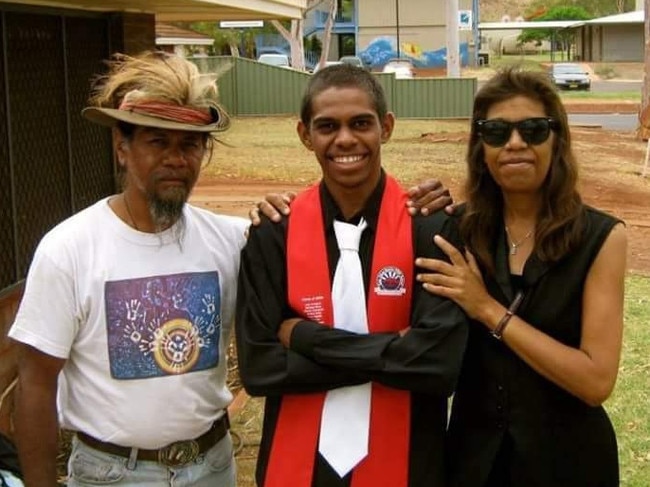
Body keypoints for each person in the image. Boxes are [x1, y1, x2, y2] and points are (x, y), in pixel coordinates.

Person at [9, 51, 248, 487]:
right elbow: (36, 385)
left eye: (190, 144)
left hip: (213, 466)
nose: (176, 158)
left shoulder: (231, 240)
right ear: (122, 147)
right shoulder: (70, 249)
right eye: (158, 141)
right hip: (113, 474)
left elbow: (323, 240)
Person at [235, 64, 468, 487]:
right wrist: (395, 352)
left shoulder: (429, 228)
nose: (345, 139)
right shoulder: (274, 233)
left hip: (409, 461)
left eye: (361, 123)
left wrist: (303, 339)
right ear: (306, 134)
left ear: (387, 127)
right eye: (328, 126)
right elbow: (260, 369)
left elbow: (438, 365)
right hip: (300, 464)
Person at [416, 67, 627, 487]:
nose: (515, 143)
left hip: (568, 463)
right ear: (481, 146)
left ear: (556, 140)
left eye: (533, 129)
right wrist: (281, 216)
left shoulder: (601, 239)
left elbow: (595, 381)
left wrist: (488, 310)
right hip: (472, 463)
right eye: (496, 131)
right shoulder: (456, 230)